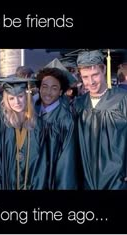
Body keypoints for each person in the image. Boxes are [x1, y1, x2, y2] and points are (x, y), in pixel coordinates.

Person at [74, 50, 127, 190]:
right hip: (86, 178)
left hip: (117, 179)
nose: (90, 82)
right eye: (85, 77)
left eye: (95, 75)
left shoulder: (122, 99)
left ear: (103, 69)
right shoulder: (78, 104)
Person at [0, 76, 48, 190]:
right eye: (11, 98)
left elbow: (42, 162)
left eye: (20, 96)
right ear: (6, 100)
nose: (16, 102)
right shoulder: (1, 122)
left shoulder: (38, 124)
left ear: (27, 97)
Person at [35, 67, 78, 189]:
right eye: (44, 87)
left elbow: (67, 161)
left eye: (54, 88)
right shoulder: (31, 113)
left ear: (60, 92)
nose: (48, 92)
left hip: (52, 180)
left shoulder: (66, 119)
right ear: (39, 88)